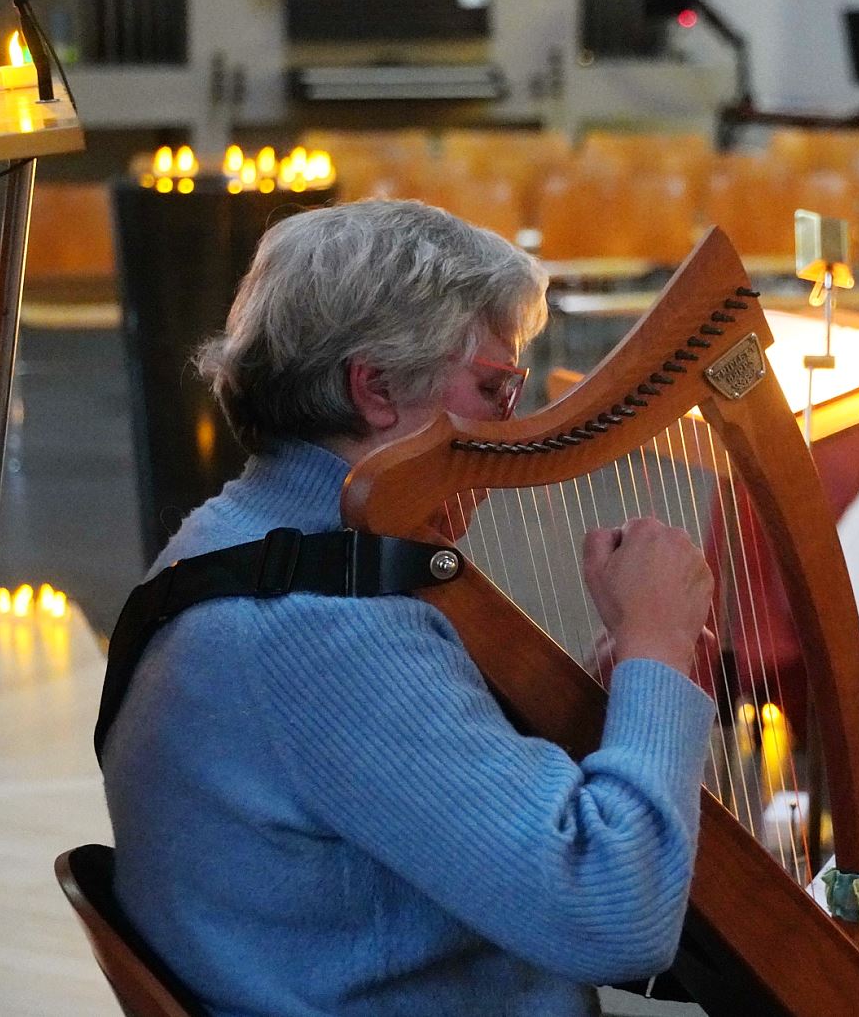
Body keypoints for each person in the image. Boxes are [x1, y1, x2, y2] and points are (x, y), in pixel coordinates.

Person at [100, 199, 717, 1016]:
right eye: (494, 388)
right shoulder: (325, 626)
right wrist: (655, 650)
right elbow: (613, 915)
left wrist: (623, 700)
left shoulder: (229, 535)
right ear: (378, 387)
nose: (512, 426)